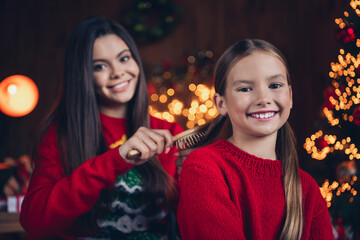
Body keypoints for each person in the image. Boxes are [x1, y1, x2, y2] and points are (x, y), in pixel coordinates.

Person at [20, 16, 184, 240]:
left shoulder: (168, 130)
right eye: (99, 66)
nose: (117, 72)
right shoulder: (60, 135)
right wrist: (114, 161)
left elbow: (191, 216)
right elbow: (35, 222)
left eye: (124, 58)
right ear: (83, 76)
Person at [177, 39, 334, 240]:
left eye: (275, 85)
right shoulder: (203, 168)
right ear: (221, 103)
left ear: (290, 96)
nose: (263, 98)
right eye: (245, 88)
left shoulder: (308, 189)